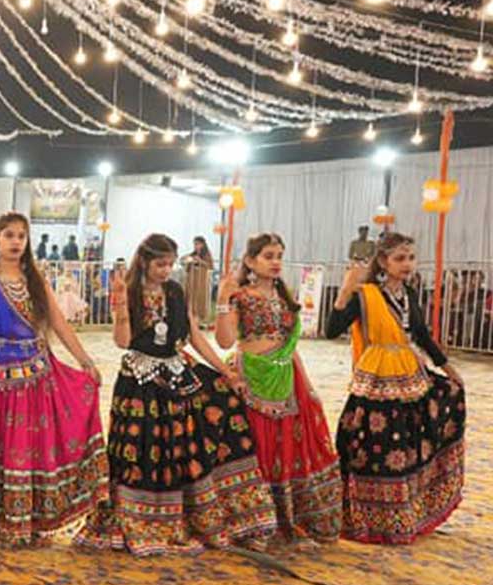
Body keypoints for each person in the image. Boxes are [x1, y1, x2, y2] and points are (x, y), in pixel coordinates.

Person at [78, 233, 276, 555]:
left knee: (203, 424)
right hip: (140, 381)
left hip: (176, 375)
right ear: (144, 262)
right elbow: (123, 341)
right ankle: (141, 518)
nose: (166, 270)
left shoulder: (174, 291)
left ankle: (195, 513)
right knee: (143, 449)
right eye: (160, 264)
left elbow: (194, 336)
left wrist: (225, 371)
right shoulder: (130, 291)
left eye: (170, 264)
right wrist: (122, 307)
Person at [0, 213, 106, 547]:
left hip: (33, 375)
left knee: (26, 447)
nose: (16, 242)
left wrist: (85, 361)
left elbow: (58, 323)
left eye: (21, 236)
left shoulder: (35, 281)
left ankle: (27, 518)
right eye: (9, 235)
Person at [325, 232, 464, 544]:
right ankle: (367, 517)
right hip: (375, 380)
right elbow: (331, 330)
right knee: (375, 447)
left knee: (406, 446)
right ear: (383, 261)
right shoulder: (366, 295)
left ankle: (403, 515)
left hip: (408, 375)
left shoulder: (409, 294)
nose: (407, 264)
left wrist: (448, 369)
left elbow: (422, 335)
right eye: (400, 258)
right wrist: (344, 293)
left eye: (411, 258)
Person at [212, 233, 341, 544]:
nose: (276, 262)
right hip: (250, 379)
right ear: (250, 261)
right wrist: (222, 300)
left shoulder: (285, 298)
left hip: (286, 380)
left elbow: (291, 349)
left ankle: (283, 519)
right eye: (268, 256)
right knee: (256, 447)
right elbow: (225, 341)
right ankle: (252, 521)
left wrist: (307, 386)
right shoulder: (241, 297)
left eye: (279, 256)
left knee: (286, 448)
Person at [183, 236, 215, 329]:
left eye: (197, 244)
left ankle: (200, 320)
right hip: (192, 281)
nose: (196, 246)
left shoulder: (207, 255)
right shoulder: (192, 254)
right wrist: (188, 261)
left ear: (203, 245)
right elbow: (186, 266)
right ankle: (190, 318)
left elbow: (210, 266)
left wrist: (200, 261)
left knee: (200, 299)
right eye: (195, 244)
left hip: (201, 281)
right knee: (191, 299)